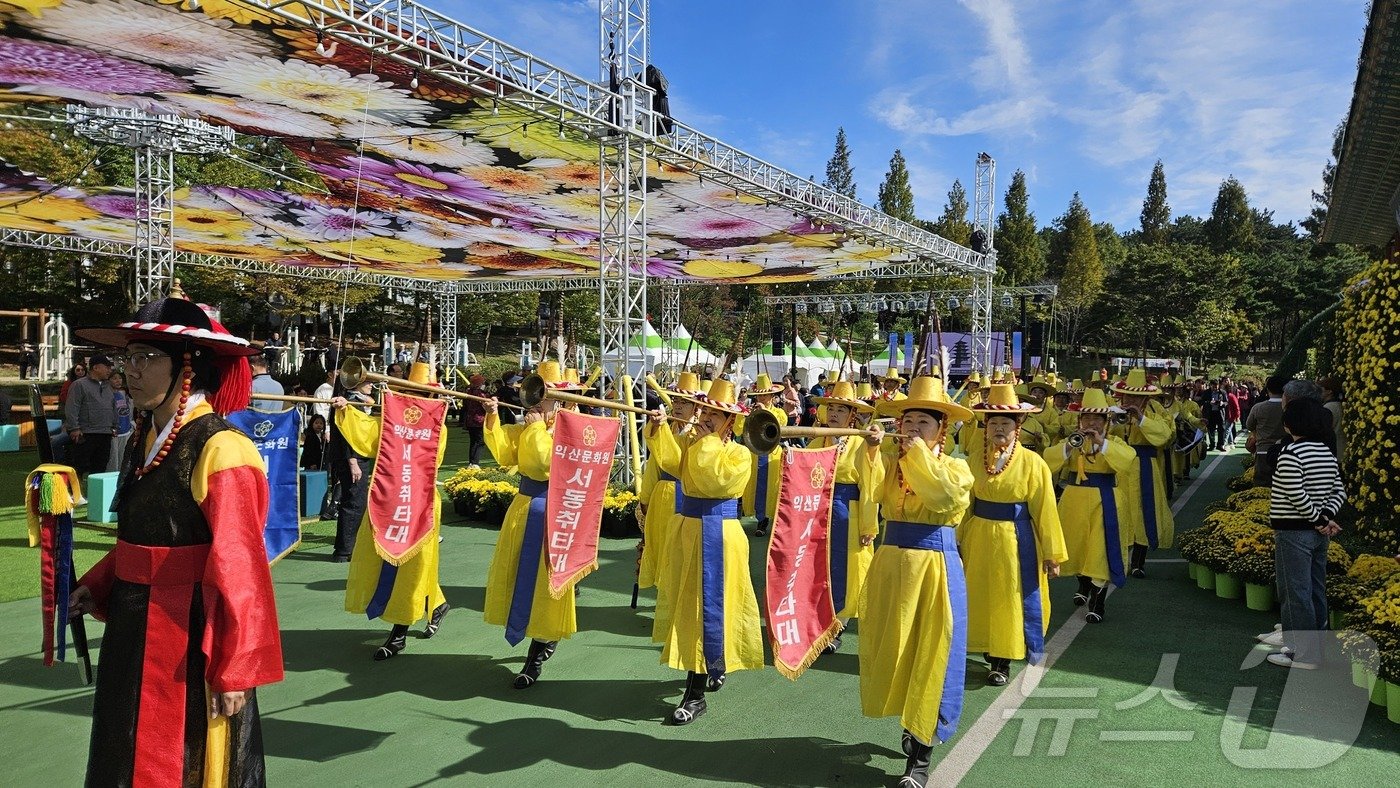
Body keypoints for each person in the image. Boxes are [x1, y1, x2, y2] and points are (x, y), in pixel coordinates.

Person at [68, 296, 282, 786]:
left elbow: (242, 570)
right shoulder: (145, 436)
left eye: (146, 358)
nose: (131, 371)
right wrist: (97, 585)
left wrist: (237, 668)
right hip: (133, 621)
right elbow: (143, 534)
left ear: (188, 365)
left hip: (190, 635)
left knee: (186, 756)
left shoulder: (224, 449)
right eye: (129, 358)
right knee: (122, 746)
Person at [856, 375, 975, 787]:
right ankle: (911, 724)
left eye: (923, 423)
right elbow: (870, 492)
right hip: (891, 566)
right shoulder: (894, 462)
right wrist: (871, 450)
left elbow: (942, 498)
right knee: (893, 651)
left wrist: (917, 455)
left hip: (934, 568)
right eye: (908, 422)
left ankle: (920, 756)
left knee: (932, 654)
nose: (911, 430)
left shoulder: (957, 468)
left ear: (942, 430)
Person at [646, 378, 761, 726]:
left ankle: (694, 693)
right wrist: (661, 428)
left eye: (716, 414)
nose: (708, 417)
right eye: (706, 410)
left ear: (731, 422)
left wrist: (703, 439)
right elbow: (670, 462)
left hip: (720, 535)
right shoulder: (694, 443)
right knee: (690, 604)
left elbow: (713, 481)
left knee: (714, 605)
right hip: (687, 531)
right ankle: (710, 667)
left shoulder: (739, 453)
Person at [332, 362, 449, 659]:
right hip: (390, 499)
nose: (413, 398)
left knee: (413, 565)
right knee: (388, 558)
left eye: (420, 393)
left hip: (420, 502)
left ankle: (398, 634)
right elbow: (370, 438)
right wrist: (347, 410)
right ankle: (436, 604)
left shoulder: (439, 427)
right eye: (408, 392)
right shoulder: (391, 421)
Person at [482, 361, 585, 688]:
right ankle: (532, 636)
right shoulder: (533, 427)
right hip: (524, 508)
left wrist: (537, 428)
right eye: (536, 398)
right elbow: (505, 452)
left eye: (544, 399)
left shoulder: (574, 428)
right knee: (519, 577)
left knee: (547, 582)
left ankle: (537, 652)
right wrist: (492, 416)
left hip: (557, 512)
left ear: (563, 401)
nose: (536, 405)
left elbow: (544, 463)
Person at [960, 383, 1065, 686]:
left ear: (1018, 426)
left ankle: (1001, 659)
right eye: (993, 422)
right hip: (978, 535)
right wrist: (955, 537)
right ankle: (984, 648)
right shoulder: (974, 458)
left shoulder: (1034, 463)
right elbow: (965, 501)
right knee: (979, 594)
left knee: (1009, 597)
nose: (999, 428)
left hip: (1016, 540)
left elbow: (1045, 509)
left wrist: (1052, 553)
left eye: (1005, 422)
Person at [1263, 398, 1345, 670]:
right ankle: (1317, 647)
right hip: (1317, 534)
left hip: (1293, 531)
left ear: (1289, 424)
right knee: (1315, 589)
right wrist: (1326, 518)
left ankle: (1302, 653)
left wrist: (1318, 519)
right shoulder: (1325, 452)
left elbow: (1294, 492)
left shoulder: (1291, 453)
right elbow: (1339, 491)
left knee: (1294, 591)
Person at [1044, 388, 1137, 623]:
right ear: (1079, 420)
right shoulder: (1074, 442)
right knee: (1076, 547)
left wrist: (1102, 443)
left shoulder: (1113, 442)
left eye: (1097, 419)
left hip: (1105, 500)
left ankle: (1097, 602)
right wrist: (1069, 447)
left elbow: (1127, 460)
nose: (1091, 423)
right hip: (1074, 499)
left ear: (1106, 422)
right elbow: (1047, 461)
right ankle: (1083, 585)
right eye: (1087, 418)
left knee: (1099, 549)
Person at [806, 380, 880, 653]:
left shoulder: (862, 445)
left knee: (846, 570)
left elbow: (871, 486)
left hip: (848, 512)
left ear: (853, 415)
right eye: (832, 408)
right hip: (817, 511)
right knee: (816, 567)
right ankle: (816, 622)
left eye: (842, 409)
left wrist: (868, 524)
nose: (835, 413)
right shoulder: (815, 441)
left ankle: (838, 624)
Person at [638, 372, 704, 643]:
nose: (678, 406)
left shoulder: (698, 435)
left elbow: (676, 462)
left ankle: (679, 606)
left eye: (684, 403)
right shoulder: (671, 428)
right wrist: (645, 497)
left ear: (697, 408)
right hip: (662, 497)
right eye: (675, 400)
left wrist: (663, 430)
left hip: (684, 497)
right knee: (659, 546)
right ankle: (664, 601)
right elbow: (655, 465)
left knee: (680, 552)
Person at [1110, 369, 1175, 578]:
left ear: (1145, 397)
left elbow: (1165, 435)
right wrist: (1111, 421)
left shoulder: (1154, 413)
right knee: (1119, 512)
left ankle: (1138, 562)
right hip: (1119, 466)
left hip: (1144, 466)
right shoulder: (1114, 410)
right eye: (1128, 395)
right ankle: (1115, 559)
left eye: (1136, 396)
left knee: (1143, 512)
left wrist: (1140, 418)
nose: (1130, 400)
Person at [331, 377, 375, 564]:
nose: (371, 385)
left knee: (356, 501)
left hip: (355, 457)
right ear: (356, 384)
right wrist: (353, 462)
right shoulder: (349, 404)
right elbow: (346, 436)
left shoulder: (356, 402)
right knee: (354, 502)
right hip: (352, 458)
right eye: (367, 382)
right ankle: (345, 549)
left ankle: (348, 546)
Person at [740, 373, 786, 537]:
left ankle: (766, 520)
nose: (762, 398)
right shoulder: (750, 410)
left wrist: (765, 411)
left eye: (765, 395)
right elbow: (739, 430)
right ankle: (753, 516)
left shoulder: (779, 412)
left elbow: (782, 425)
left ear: (772, 396)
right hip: (754, 453)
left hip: (773, 454)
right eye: (759, 395)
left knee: (772, 488)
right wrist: (744, 415)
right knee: (751, 486)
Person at [64, 354, 118, 479]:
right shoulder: (79, 385)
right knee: (79, 467)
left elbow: (113, 407)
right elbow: (72, 406)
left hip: (105, 432)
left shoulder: (108, 386)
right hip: (85, 433)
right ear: (96, 367)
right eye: (107, 367)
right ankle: (74, 495)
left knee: (100, 467)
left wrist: (115, 426)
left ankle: (95, 495)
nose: (109, 370)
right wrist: (74, 428)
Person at [1246, 376, 1287, 486]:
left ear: (1267, 389)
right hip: (1285, 450)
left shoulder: (1258, 407)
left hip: (1263, 450)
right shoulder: (1289, 408)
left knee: (1262, 485)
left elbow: (1249, 426)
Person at [460, 373, 489, 467]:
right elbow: (485, 406)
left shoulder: (468, 392)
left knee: (473, 442)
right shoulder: (480, 393)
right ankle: (475, 462)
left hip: (470, 419)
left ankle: (471, 462)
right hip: (479, 420)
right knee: (480, 441)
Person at [106, 372, 133, 473]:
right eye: (114, 378)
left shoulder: (121, 395)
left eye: (120, 378)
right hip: (115, 433)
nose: (118, 381)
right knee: (113, 462)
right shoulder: (108, 396)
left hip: (125, 431)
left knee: (123, 460)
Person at [1319, 376, 1345, 460]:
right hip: (1341, 450)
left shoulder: (1329, 407)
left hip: (1333, 451)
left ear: (1329, 391)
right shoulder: (1339, 404)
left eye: (1321, 389)